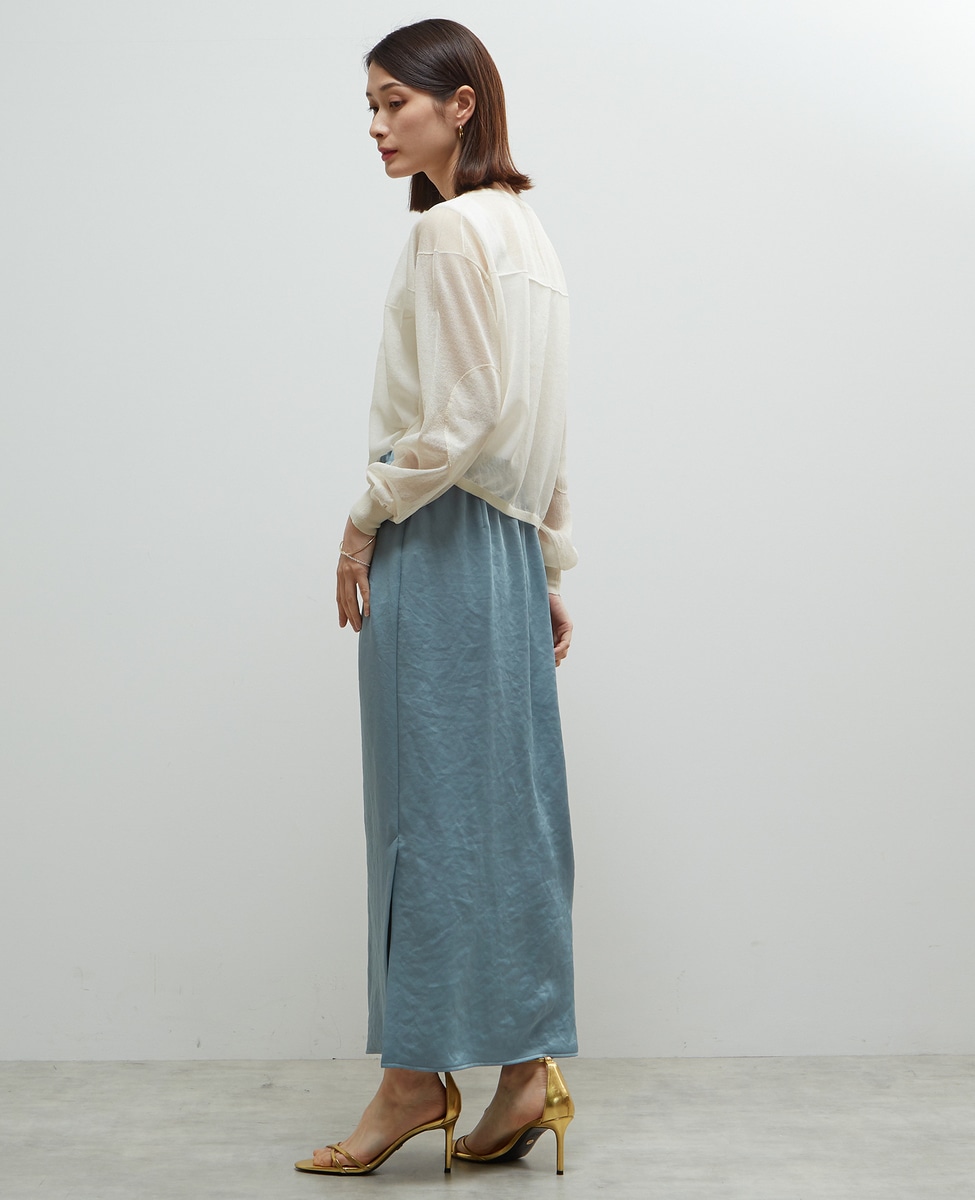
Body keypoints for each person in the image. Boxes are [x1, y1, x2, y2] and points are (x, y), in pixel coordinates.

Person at [295, 18, 578, 1178]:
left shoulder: (450, 231)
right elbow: (543, 421)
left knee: (423, 819)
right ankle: (523, 1074)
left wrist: (366, 515)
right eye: (368, 107)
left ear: (461, 104)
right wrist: (548, 566)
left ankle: (414, 1081)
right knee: (508, 821)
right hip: (505, 551)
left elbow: (461, 420)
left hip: (444, 538)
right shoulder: (528, 235)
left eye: (393, 102)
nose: (376, 126)